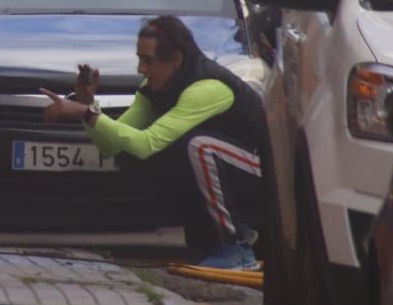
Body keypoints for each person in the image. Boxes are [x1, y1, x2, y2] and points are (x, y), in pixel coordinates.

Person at [41, 15, 265, 270]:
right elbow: (113, 145)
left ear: (177, 60)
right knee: (133, 153)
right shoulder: (155, 87)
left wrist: (86, 114)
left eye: (148, 60)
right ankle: (208, 238)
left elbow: (146, 143)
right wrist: (88, 105)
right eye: (139, 59)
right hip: (225, 173)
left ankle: (237, 245)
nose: (141, 69)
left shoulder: (207, 87)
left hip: (261, 179)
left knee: (198, 147)